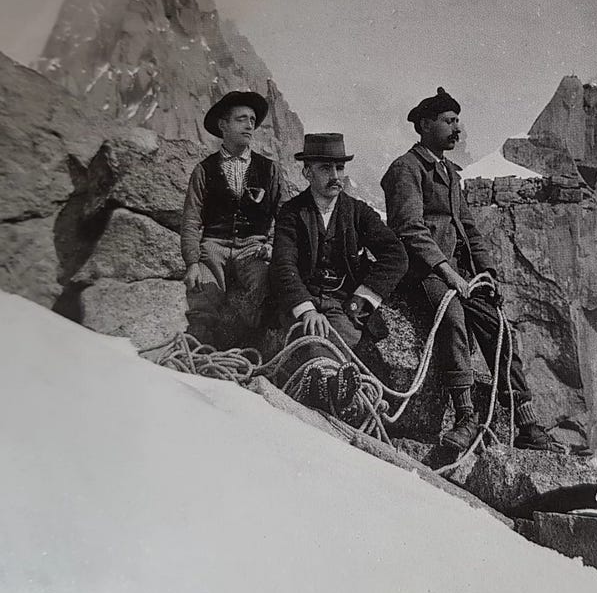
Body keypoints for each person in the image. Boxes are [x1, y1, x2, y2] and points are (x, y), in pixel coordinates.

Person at [380, 87, 560, 452]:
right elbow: (409, 229)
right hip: (420, 270)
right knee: (453, 319)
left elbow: (470, 229)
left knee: (498, 329)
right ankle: (464, 417)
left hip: (458, 273)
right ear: (425, 125)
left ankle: (526, 422)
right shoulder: (406, 169)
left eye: (457, 120)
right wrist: (448, 273)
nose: (456, 128)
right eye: (448, 121)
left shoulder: (450, 174)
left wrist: (488, 272)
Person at [270, 133, 408, 412]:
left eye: (340, 168)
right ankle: (335, 394)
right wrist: (306, 309)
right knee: (310, 341)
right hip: (303, 303)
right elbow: (283, 264)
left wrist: (361, 301)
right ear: (307, 172)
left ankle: (340, 393)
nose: (336, 176)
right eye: (325, 168)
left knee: (343, 347)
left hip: (342, 306)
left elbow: (396, 256)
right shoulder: (291, 213)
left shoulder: (358, 212)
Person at [180, 90, 283, 347]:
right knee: (203, 297)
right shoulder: (203, 170)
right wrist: (192, 262)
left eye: (252, 120)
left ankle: (246, 354)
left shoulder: (270, 170)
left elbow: (284, 217)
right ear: (223, 125)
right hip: (212, 247)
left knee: (263, 288)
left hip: (253, 248)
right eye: (241, 119)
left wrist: (272, 246)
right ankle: (199, 357)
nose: (250, 125)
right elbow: (191, 220)